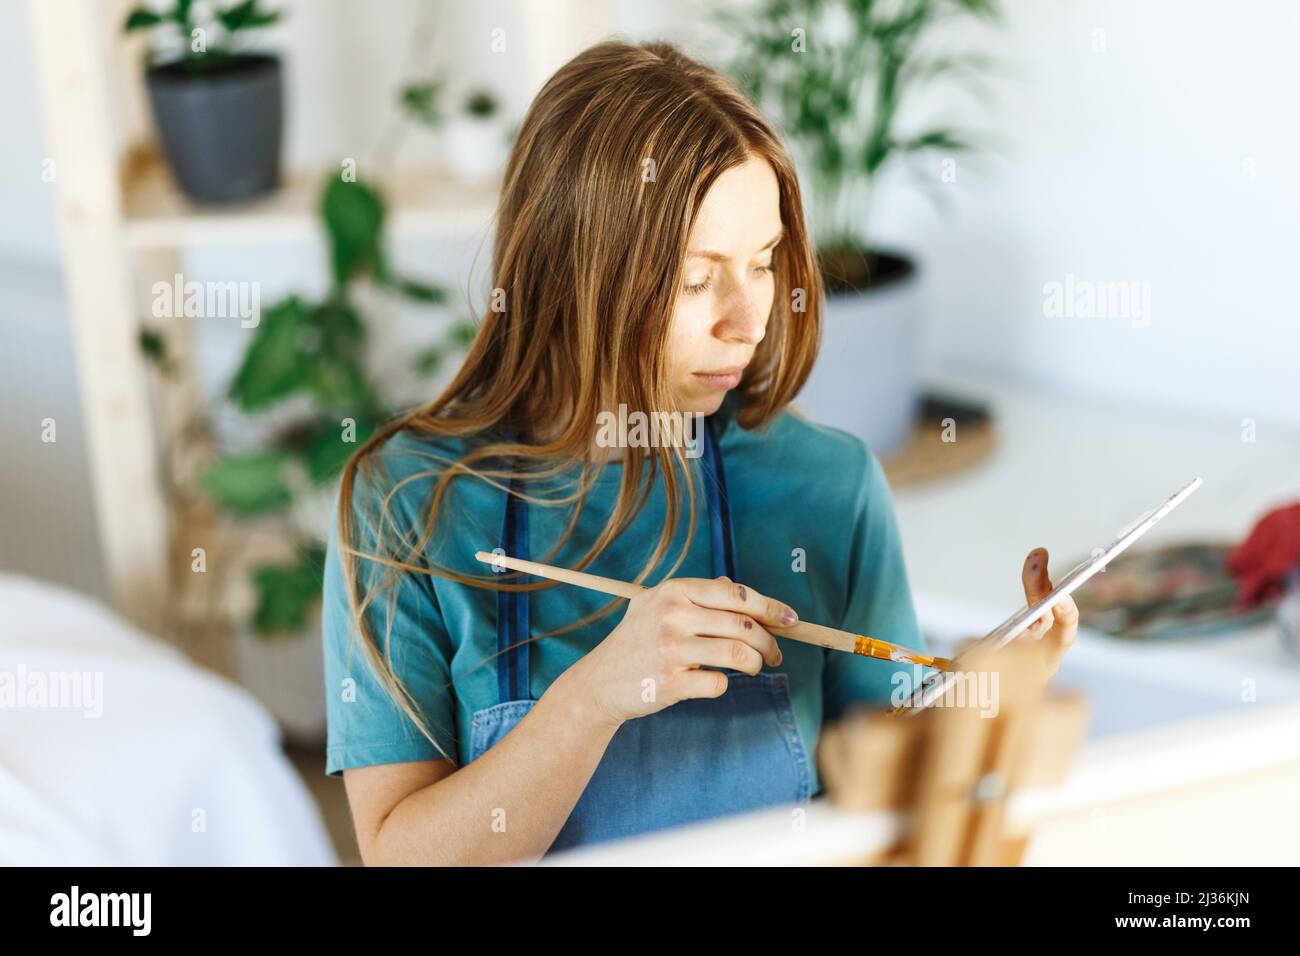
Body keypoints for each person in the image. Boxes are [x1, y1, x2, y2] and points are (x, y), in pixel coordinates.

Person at [321, 39, 1078, 866]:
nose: (747, 319)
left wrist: (991, 700)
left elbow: (883, 805)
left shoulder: (830, 485)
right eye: (695, 278)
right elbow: (400, 854)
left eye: (762, 263)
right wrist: (594, 697)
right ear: (570, 272)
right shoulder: (402, 503)